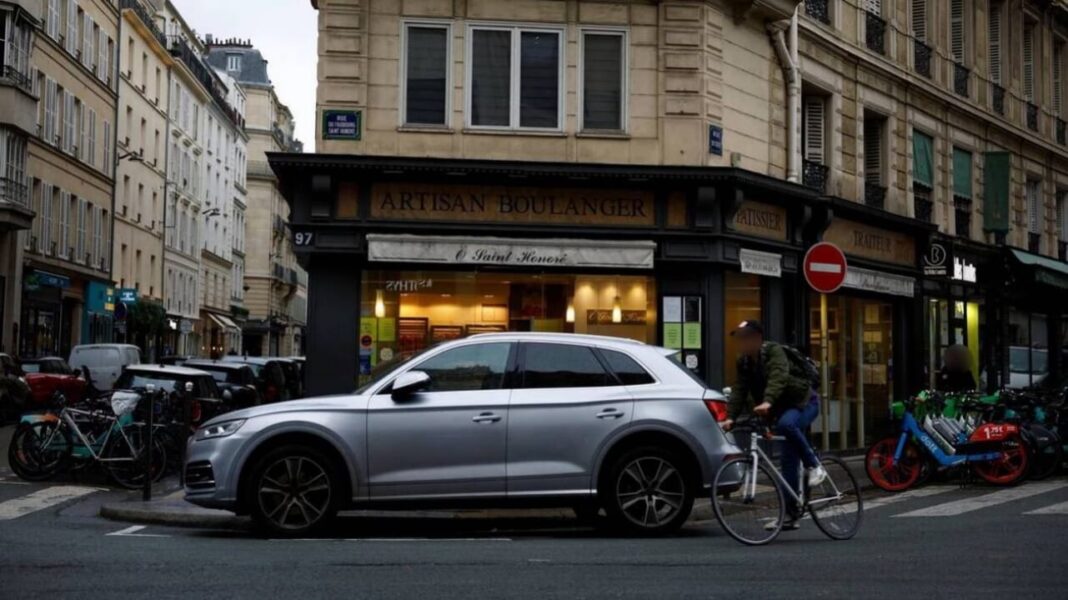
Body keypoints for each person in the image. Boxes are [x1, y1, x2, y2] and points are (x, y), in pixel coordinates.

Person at [723, 320, 825, 531]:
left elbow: (779, 376)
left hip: (804, 402)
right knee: (787, 461)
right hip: (780, 409)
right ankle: (790, 515)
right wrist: (730, 416)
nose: (742, 342)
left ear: (758, 339)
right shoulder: (743, 362)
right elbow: (740, 389)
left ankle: (815, 466)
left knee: (787, 425)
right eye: (739, 338)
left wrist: (768, 400)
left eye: (747, 337)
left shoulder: (774, 351)